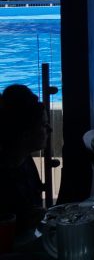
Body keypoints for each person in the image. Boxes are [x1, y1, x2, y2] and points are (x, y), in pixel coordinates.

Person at [0, 85, 47, 244]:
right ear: (26, 134)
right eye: (43, 125)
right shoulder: (18, 166)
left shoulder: (23, 159)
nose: (49, 129)